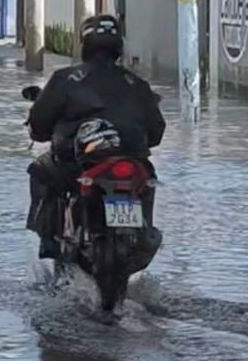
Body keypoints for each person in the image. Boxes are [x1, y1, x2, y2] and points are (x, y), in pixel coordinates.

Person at [25, 15, 165, 260]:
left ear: (85, 45)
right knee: (148, 179)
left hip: (77, 164)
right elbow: (156, 132)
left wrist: (41, 132)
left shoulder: (65, 79)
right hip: (132, 162)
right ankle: (145, 230)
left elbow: (39, 124)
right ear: (118, 47)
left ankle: (49, 241)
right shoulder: (137, 83)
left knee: (40, 170)